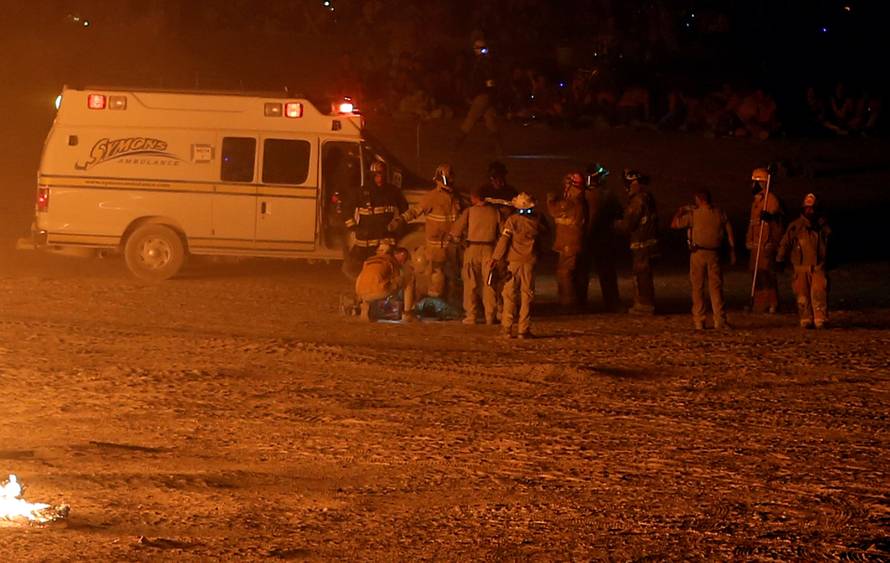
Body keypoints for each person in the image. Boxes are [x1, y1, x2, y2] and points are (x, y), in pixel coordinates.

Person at [390, 163, 462, 300]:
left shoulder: (456, 197)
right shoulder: (431, 197)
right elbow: (415, 211)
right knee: (437, 274)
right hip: (437, 245)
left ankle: (450, 302)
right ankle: (434, 302)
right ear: (439, 180)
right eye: (447, 179)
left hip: (452, 245)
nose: (450, 182)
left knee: (453, 276)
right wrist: (400, 220)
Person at [671, 189, 737, 330]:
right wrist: (732, 249)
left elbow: (674, 224)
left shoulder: (693, 214)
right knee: (716, 287)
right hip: (714, 253)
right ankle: (719, 319)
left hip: (698, 253)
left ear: (698, 200)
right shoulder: (719, 212)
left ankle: (699, 320)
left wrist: (680, 210)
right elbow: (728, 229)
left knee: (697, 287)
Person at [342, 160, 407, 279]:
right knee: (361, 270)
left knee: (386, 270)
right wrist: (353, 227)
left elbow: (405, 209)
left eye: (382, 173)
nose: (380, 177)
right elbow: (346, 209)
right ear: (371, 175)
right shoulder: (361, 192)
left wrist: (398, 222)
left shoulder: (393, 191)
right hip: (366, 240)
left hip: (386, 239)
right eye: (377, 174)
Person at [492, 193, 543, 339]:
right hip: (529, 262)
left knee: (509, 295)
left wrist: (495, 258)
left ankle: (507, 328)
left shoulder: (512, 221)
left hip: (513, 262)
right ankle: (523, 329)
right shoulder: (536, 223)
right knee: (527, 296)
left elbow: (504, 241)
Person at [777, 193, 831, 329]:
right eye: (807, 208)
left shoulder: (822, 226)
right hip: (800, 266)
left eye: (812, 208)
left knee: (819, 292)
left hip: (818, 266)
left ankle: (820, 318)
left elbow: (831, 241)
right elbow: (785, 243)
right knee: (802, 294)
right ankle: (805, 318)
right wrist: (780, 259)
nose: (810, 211)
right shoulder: (795, 226)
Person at [450, 187, 501, 324]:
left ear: (474, 198)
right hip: (489, 249)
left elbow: (455, 231)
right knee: (489, 283)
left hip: (472, 249)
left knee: (470, 283)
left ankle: (471, 315)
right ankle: (490, 315)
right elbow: (502, 232)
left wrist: (459, 241)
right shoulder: (495, 212)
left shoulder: (469, 211)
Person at [614, 169, 658, 315]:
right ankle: (645, 303)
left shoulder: (637, 200)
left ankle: (644, 305)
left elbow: (629, 224)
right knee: (645, 273)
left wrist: (615, 224)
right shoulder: (647, 197)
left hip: (641, 242)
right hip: (649, 241)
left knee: (641, 274)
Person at [581, 163, 623, 312]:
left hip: (588, 237)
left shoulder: (583, 194)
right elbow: (619, 213)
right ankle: (612, 303)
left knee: (583, 272)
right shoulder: (607, 194)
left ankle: (580, 303)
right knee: (607, 273)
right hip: (603, 238)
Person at [454, 38, 502, 155]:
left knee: (470, 119)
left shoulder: (484, 63)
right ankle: (499, 149)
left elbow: (488, 80)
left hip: (483, 95)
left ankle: (455, 145)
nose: (480, 50)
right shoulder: (480, 62)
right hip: (485, 95)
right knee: (490, 121)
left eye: (481, 48)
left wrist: (488, 91)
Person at [546, 171, 587, 308]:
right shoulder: (580, 200)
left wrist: (550, 199)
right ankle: (574, 300)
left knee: (565, 273)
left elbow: (554, 211)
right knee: (573, 273)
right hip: (571, 243)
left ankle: (568, 303)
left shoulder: (571, 202)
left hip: (569, 244)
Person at [745, 167, 783, 313]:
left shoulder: (771, 200)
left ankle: (772, 302)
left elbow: (777, 223)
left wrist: (773, 242)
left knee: (767, 274)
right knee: (757, 273)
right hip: (756, 245)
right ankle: (760, 303)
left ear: (761, 183)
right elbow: (753, 223)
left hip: (766, 243)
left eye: (754, 182)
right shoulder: (756, 202)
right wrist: (749, 239)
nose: (751, 186)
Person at [353, 246, 416, 322]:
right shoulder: (392, 261)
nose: (403, 263)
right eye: (404, 259)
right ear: (401, 254)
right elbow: (396, 285)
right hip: (377, 290)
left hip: (360, 292)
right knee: (408, 280)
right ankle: (407, 314)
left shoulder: (370, 260)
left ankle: (362, 306)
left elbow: (362, 277)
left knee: (375, 283)